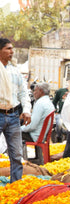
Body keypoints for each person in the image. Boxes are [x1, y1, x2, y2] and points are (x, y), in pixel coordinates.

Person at [0, 38, 31, 182]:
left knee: (16, 155)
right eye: (8, 48)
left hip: (13, 115)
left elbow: (23, 93)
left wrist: (26, 110)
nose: (11, 52)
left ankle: (15, 186)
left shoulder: (14, 71)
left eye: (12, 48)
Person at [21, 82, 54, 161]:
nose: (34, 93)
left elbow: (32, 125)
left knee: (12, 133)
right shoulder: (48, 102)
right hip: (42, 135)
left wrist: (19, 128)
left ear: (41, 91)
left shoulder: (40, 104)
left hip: (36, 136)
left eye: (35, 91)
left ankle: (19, 161)